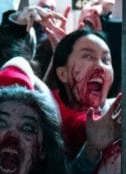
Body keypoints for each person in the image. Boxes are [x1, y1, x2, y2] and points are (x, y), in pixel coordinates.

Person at [46, 28, 118, 159]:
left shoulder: (50, 98)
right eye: (88, 56)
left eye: (106, 60)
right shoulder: (89, 127)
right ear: (62, 74)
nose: (100, 66)